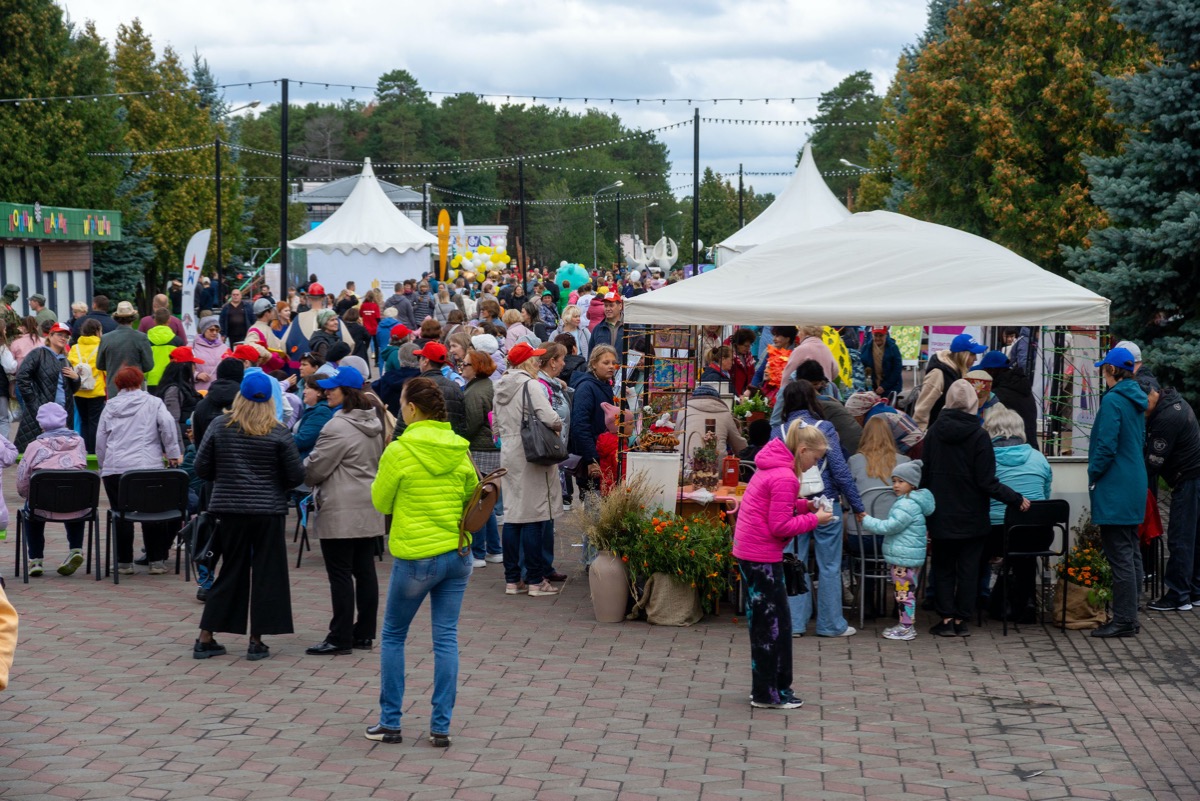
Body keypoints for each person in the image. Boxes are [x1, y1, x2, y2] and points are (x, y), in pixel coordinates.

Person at [367, 377, 478, 747]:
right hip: (456, 553)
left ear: (412, 408)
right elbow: (469, 499)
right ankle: (440, 726)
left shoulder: (399, 451)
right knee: (446, 638)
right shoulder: (459, 449)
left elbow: (381, 503)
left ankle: (390, 722)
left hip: (416, 556)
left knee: (394, 636)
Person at [193, 373, 305, 661]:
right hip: (268, 510)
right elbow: (295, 475)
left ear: (239, 397)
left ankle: (206, 636)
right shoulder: (278, 431)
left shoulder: (220, 425)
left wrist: (227, 475)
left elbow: (202, 468)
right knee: (269, 573)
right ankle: (257, 640)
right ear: (269, 400)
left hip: (229, 508)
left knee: (231, 570)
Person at [733, 420, 831, 709]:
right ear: (802, 450)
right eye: (815, 458)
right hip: (761, 556)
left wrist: (806, 506)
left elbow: (776, 506)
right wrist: (816, 519)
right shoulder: (786, 477)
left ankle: (764, 689)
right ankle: (771, 693)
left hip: (751, 552)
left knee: (765, 624)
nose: (815, 465)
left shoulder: (773, 467)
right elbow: (780, 525)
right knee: (775, 626)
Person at [923, 379, 1029, 637]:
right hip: (972, 515)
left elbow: (925, 476)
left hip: (941, 513)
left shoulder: (934, 432)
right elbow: (987, 482)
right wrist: (1015, 498)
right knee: (969, 569)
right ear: (973, 403)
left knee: (943, 566)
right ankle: (962, 620)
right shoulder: (980, 436)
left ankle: (946, 619)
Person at [771, 380, 863, 638]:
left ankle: (795, 623)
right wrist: (857, 505)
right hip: (826, 503)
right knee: (830, 565)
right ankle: (830, 624)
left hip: (792, 504)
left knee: (792, 560)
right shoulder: (825, 427)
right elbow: (840, 471)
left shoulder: (778, 430)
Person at [303, 366, 385, 656]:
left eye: (332, 388)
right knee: (364, 572)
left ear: (346, 392)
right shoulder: (373, 420)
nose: (327, 391)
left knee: (340, 574)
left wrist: (303, 471)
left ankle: (339, 636)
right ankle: (364, 632)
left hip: (341, 507)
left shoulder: (337, 426)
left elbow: (315, 468)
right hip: (367, 504)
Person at [96, 366, 184, 575]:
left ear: (118, 384)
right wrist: (173, 453)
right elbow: (168, 425)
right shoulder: (153, 403)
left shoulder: (109, 406)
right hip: (148, 466)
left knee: (121, 513)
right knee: (152, 511)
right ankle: (156, 560)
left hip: (116, 469)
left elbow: (101, 438)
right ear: (140, 381)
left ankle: (124, 562)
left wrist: (103, 463)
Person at [1087, 347, 1149, 638]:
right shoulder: (1136, 398)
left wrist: (1093, 473)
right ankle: (1129, 616)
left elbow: (1106, 446)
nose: (1102, 373)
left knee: (1120, 554)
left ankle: (1124, 619)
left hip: (1116, 485)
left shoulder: (1113, 400)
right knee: (1129, 550)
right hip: (1133, 482)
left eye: (1104, 369)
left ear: (1111, 370)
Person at [494, 342, 563, 597]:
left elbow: (496, 424)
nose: (536, 363)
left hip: (510, 450)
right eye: (533, 359)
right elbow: (549, 417)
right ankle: (535, 581)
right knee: (535, 514)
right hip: (532, 451)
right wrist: (559, 424)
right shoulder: (530, 385)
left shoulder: (500, 385)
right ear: (525, 362)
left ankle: (512, 579)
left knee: (513, 515)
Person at [983, 408, 1053, 622]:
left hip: (995, 536)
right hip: (1038, 533)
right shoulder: (1038, 457)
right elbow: (1046, 494)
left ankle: (982, 601)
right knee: (1025, 550)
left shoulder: (986, 459)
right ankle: (1027, 603)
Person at [1138, 375, 1200, 612]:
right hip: (1194, 476)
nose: (1142, 411)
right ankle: (1194, 591)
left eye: (1143, 404)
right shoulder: (1173, 403)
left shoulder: (1166, 417)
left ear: (1153, 394)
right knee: (1194, 537)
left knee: (1181, 537)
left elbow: (1153, 462)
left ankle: (1178, 595)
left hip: (1188, 479)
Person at [858, 460, 935, 641]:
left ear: (912, 484)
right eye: (894, 481)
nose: (896, 485)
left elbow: (890, 526)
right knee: (906, 591)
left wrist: (867, 520)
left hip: (903, 558)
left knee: (903, 593)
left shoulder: (906, 504)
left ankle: (906, 627)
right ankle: (905, 625)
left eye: (901, 481)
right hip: (908, 555)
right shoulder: (911, 502)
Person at [16, 403, 86, 577]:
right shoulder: (79, 442)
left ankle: (35, 560)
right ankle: (76, 549)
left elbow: (22, 479)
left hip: (42, 506)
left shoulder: (34, 446)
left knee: (31, 511)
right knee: (76, 500)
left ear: (41, 424)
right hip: (74, 505)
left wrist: (26, 494)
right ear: (64, 421)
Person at [462, 350, 502, 567]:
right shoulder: (489, 386)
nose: (462, 367)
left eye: (465, 364)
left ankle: (479, 552)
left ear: (476, 367)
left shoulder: (475, 392)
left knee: (478, 502)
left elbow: (470, 425)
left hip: (481, 450)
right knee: (486, 502)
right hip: (492, 449)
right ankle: (494, 549)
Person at [15, 322, 79, 452]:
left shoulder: (65, 361)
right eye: (59, 335)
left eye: (66, 337)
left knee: (60, 451)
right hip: (42, 411)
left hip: (63, 413)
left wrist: (76, 378)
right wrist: (33, 402)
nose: (63, 338)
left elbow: (73, 389)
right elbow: (22, 378)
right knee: (38, 450)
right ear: (50, 336)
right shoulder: (38, 354)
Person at [569, 345, 618, 497]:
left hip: (604, 455)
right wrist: (591, 459)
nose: (611, 366)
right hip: (592, 457)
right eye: (606, 362)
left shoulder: (606, 385)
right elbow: (580, 425)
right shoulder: (586, 387)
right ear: (594, 364)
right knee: (593, 504)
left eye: (613, 363)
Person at [913, 333, 985, 430]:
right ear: (963, 355)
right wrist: (920, 437)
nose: (975, 359)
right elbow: (922, 410)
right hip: (936, 433)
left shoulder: (958, 371)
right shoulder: (938, 373)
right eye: (972, 354)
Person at [793, 360, 862, 457]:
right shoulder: (793, 393)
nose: (814, 389)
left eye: (816, 384)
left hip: (847, 448)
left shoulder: (826, 393)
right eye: (811, 385)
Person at [675, 384, 747, 469]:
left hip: (683, 467)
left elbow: (675, 438)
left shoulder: (683, 411)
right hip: (716, 470)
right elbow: (740, 447)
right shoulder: (726, 415)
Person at [282, 283, 352, 368]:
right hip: (331, 371)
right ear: (323, 298)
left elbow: (283, 344)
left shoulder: (299, 318)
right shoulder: (335, 319)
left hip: (302, 368)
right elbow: (350, 343)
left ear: (309, 298)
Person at [979, 350, 1038, 449]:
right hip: (1030, 448)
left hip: (1012, 450)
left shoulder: (998, 395)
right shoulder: (1021, 387)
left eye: (985, 371)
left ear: (992, 371)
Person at [408, 342, 467, 438]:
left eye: (420, 358)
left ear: (425, 361)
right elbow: (462, 423)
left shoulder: (416, 386)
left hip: (421, 444)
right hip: (449, 444)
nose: (419, 362)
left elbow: (404, 421)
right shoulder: (455, 387)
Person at [95, 302, 153, 398]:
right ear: (133, 318)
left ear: (117, 318)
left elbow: (100, 365)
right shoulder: (141, 337)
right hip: (136, 389)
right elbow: (149, 366)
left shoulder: (106, 338)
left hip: (114, 389)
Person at [157, 347, 205, 450]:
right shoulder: (174, 391)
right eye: (193, 364)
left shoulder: (183, 388)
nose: (195, 368)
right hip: (183, 448)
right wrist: (179, 451)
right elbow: (172, 422)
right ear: (185, 366)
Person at [192, 359, 244, 448]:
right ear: (241, 377)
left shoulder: (201, 405)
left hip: (210, 459)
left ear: (218, 375)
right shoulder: (247, 405)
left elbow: (199, 443)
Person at [145, 308, 185, 388]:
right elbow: (182, 363)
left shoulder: (146, 340)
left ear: (154, 320)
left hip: (153, 379)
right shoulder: (177, 341)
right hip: (172, 380)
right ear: (169, 320)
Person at [860, 326, 903, 399]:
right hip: (872, 388)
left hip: (890, 386)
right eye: (876, 335)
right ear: (872, 335)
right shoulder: (866, 348)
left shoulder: (893, 348)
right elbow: (863, 367)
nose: (878, 338)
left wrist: (884, 386)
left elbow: (897, 369)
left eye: (881, 335)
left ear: (886, 334)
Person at [191, 316, 227, 392]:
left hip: (219, 391)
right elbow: (184, 369)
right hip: (200, 391)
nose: (214, 333)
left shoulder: (224, 348)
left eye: (217, 330)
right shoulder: (192, 347)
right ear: (204, 330)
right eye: (211, 330)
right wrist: (196, 375)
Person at [728, 328, 758, 397]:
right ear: (737, 344)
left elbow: (752, 374)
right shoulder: (731, 356)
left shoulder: (749, 357)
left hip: (746, 392)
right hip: (734, 392)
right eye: (745, 346)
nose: (748, 348)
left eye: (749, 346)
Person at [360, 289, 382, 361]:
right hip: (374, 328)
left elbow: (360, 314)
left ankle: (363, 359)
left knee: (365, 346)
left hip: (366, 329)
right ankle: (377, 361)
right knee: (376, 346)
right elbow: (378, 318)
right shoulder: (375, 306)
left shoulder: (363, 305)